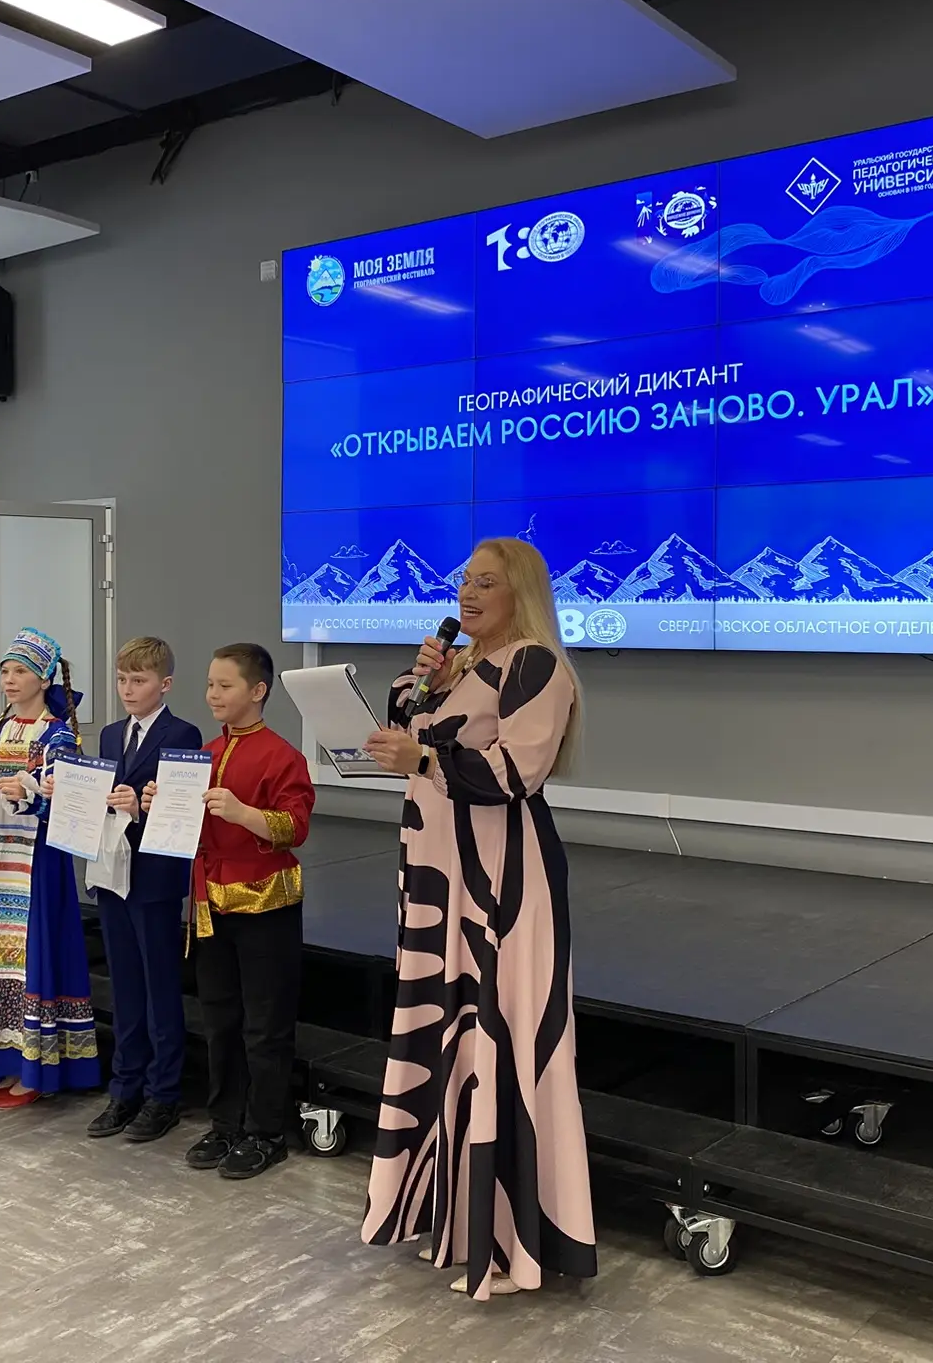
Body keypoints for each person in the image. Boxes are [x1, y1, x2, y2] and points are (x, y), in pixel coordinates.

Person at [359, 537, 598, 1299]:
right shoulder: (457, 665)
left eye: (486, 582)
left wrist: (425, 760)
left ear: (519, 593)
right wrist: (420, 685)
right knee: (445, 1035)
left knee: (500, 1037)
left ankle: (509, 1236)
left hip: (499, 883)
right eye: (464, 579)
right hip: (438, 877)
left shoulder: (535, 666)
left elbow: (514, 772)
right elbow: (408, 734)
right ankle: (452, 1217)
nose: (468, 593)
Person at [143, 642, 313, 1180]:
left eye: (225, 685)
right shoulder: (204, 753)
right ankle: (225, 1123)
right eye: (210, 684)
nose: (212, 694)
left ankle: (266, 1131)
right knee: (220, 1019)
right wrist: (158, 804)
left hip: (265, 903)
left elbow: (295, 828)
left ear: (257, 691)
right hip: (210, 901)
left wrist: (243, 813)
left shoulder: (282, 756)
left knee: (265, 1024)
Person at [0, 627, 99, 1106]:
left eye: (20, 671)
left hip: (35, 859)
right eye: (5, 671)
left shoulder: (58, 736)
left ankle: (35, 1069)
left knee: (29, 955)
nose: (9, 679)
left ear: (44, 678)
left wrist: (29, 796)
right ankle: (2, 1057)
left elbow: (69, 801)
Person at [86, 637, 205, 1144]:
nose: (128, 689)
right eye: (122, 680)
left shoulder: (184, 733)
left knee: (159, 989)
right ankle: (125, 1088)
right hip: (113, 872)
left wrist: (140, 807)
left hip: (154, 876)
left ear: (165, 684)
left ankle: (164, 1094)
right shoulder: (110, 735)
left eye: (139, 680)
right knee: (126, 987)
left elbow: (182, 810)